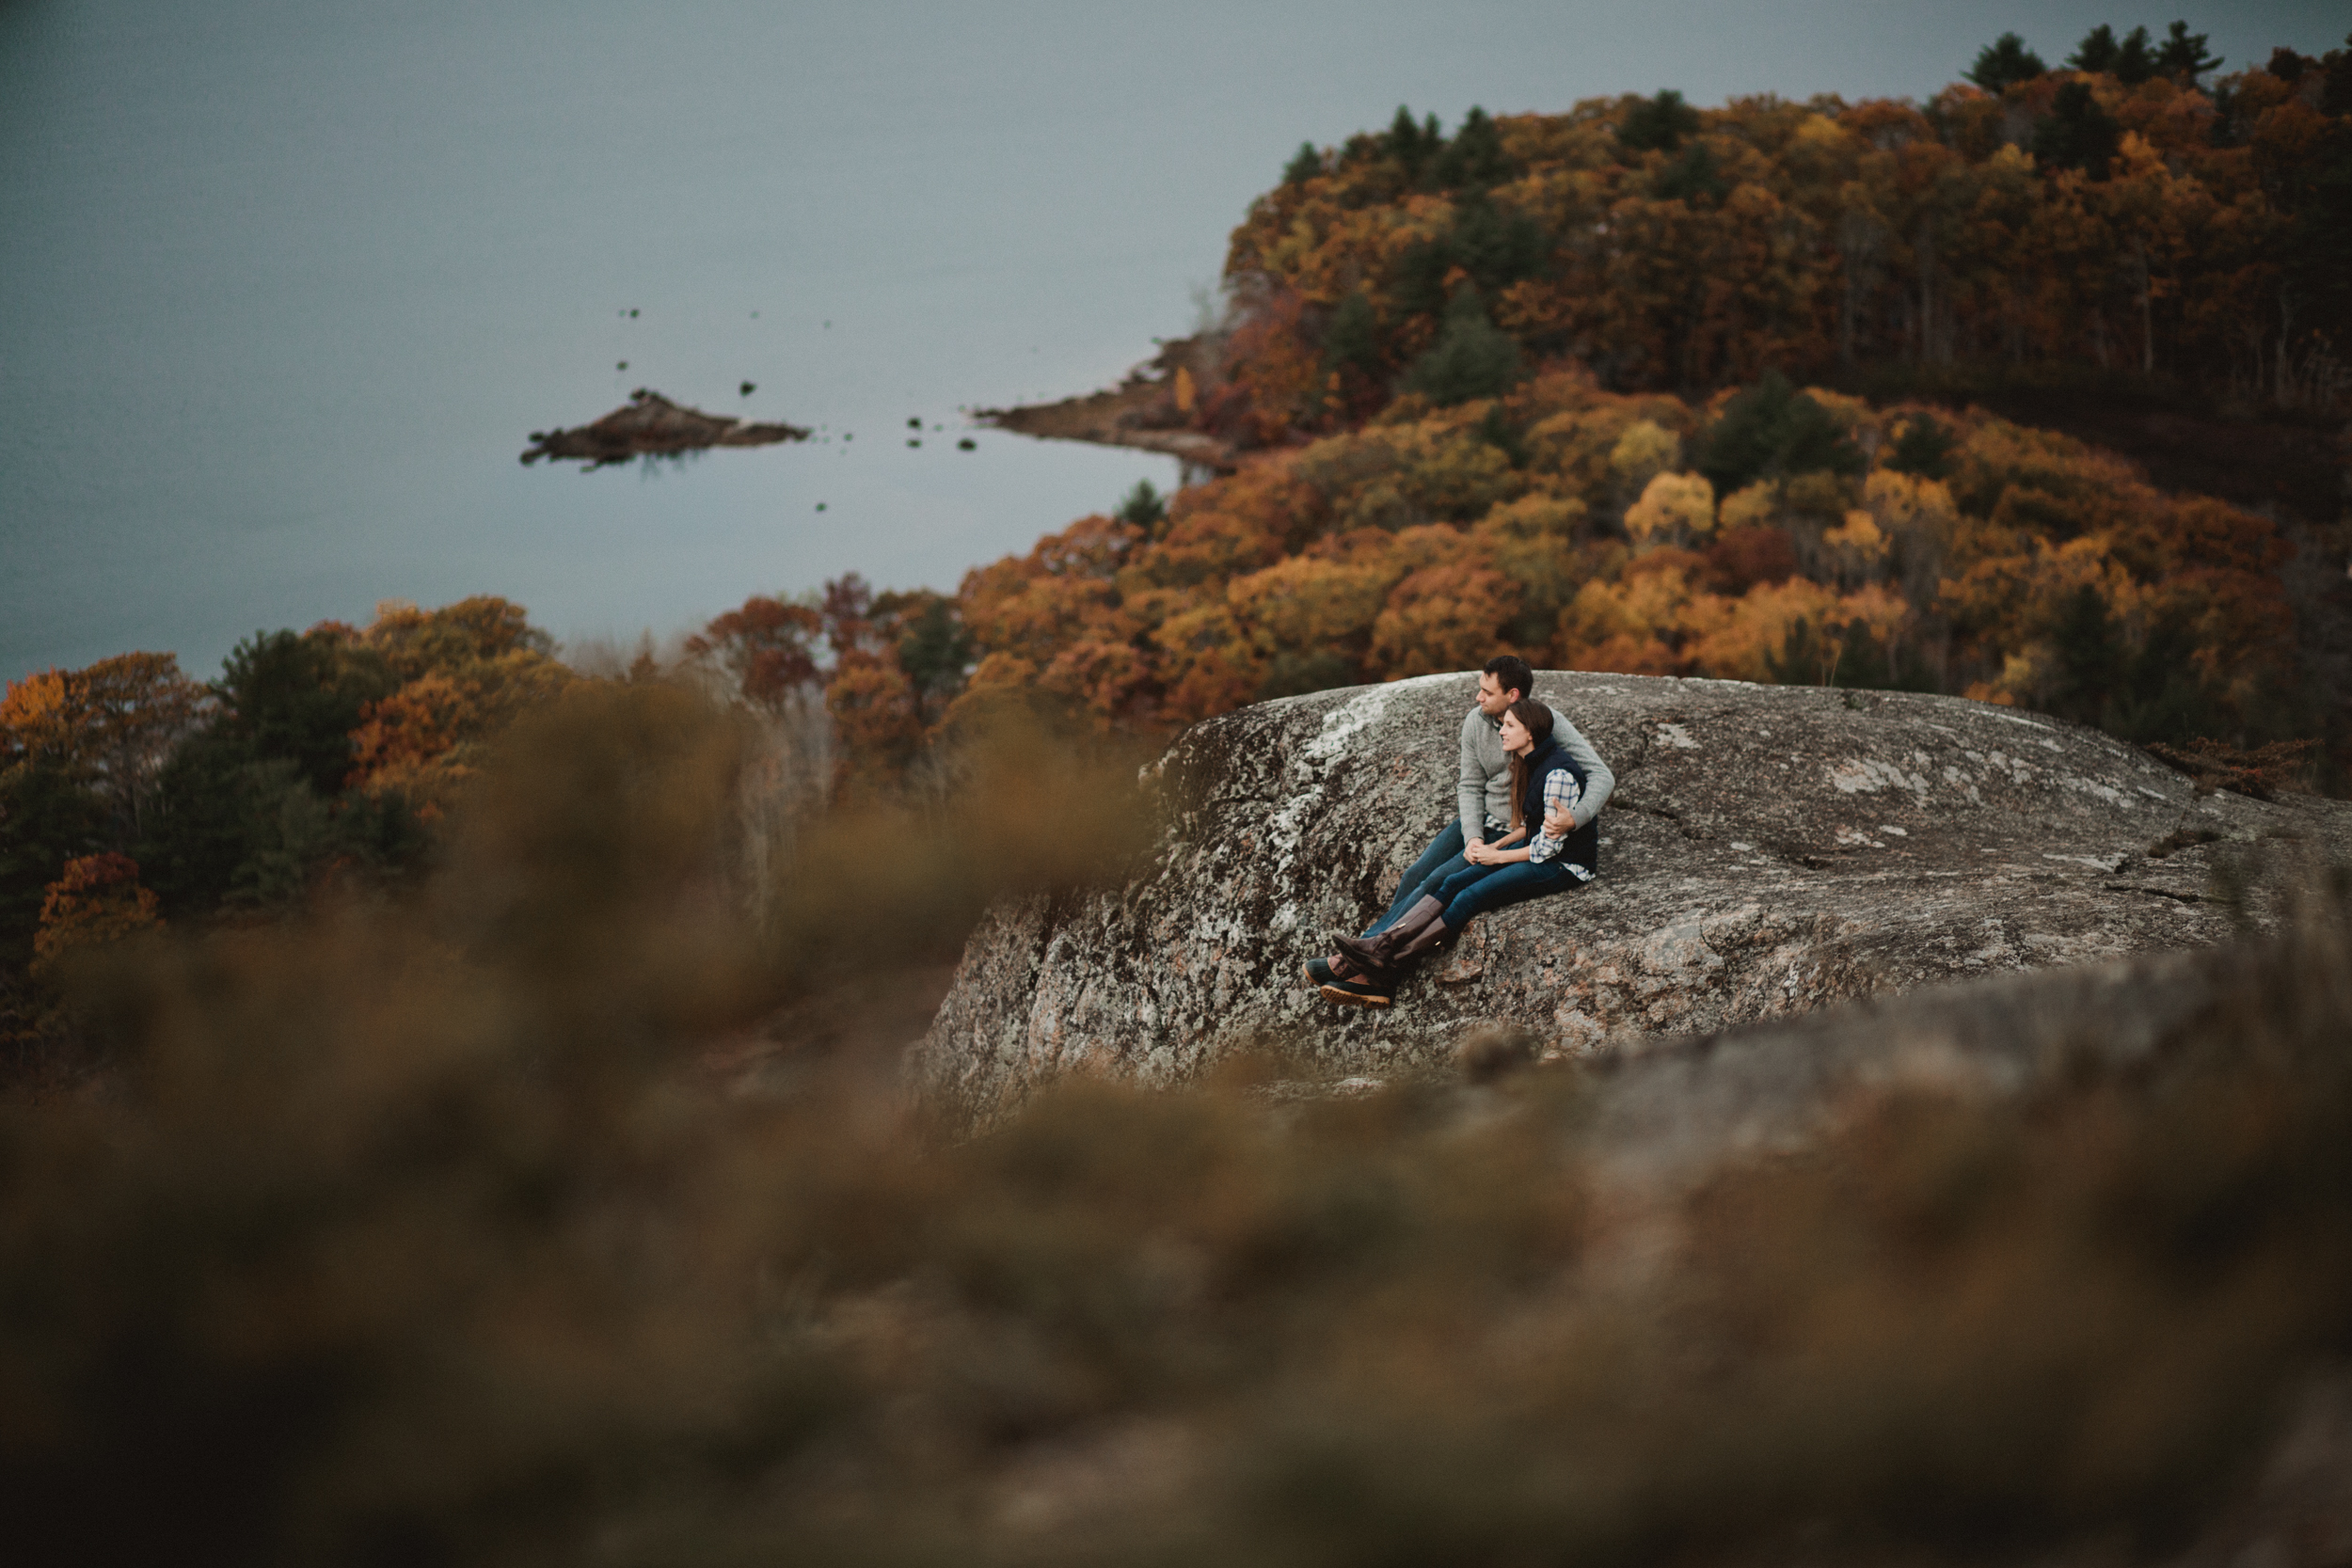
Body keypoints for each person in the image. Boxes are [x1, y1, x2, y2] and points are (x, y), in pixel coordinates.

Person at [1306, 655, 1613, 1005]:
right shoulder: (1476, 722)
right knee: (1417, 874)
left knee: (1444, 880)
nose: (1477, 697)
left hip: (1516, 832)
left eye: (1486, 691)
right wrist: (1472, 837)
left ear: (1512, 695)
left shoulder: (1543, 723)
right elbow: (1469, 785)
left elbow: (1600, 775)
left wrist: (1576, 817)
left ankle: (1361, 967)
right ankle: (1367, 959)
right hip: (1482, 823)